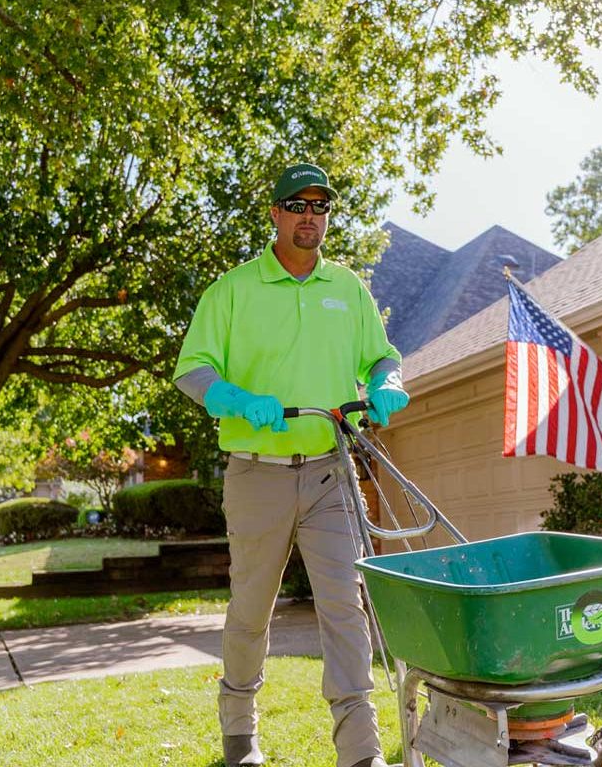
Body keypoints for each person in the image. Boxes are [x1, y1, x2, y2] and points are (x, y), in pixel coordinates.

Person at [173, 163, 408, 767]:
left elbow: (382, 357)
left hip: (331, 471)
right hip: (256, 475)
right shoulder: (233, 289)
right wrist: (236, 400)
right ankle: (240, 737)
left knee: (346, 608)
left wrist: (388, 382)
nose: (311, 215)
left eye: (321, 205)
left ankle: (360, 752)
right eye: (298, 204)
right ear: (275, 213)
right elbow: (194, 368)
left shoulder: (348, 288)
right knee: (251, 609)